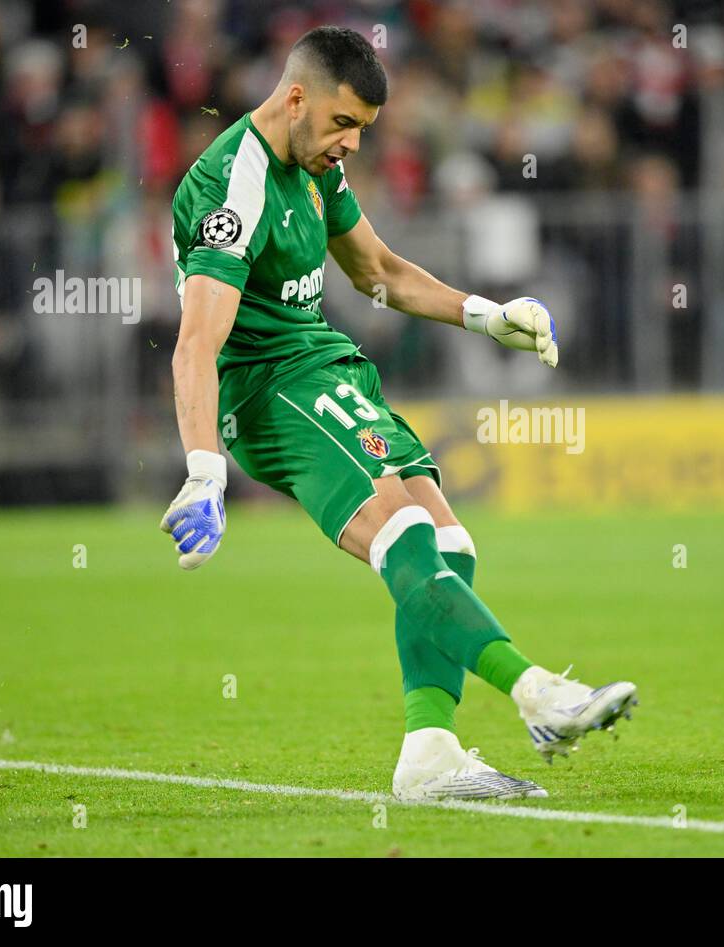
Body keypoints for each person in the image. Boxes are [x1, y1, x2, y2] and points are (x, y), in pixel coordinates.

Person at [161, 26, 636, 801]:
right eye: (343, 123)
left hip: (329, 371)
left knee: (450, 540)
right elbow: (195, 343)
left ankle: (430, 752)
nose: (351, 144)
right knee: (405, 534)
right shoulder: (231, 185)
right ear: (295, 99)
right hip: (271, 390)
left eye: (362, 131)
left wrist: (486, 314)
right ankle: (538, 691)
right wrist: (204, 470)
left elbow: (378, 270)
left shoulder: (316, 168)